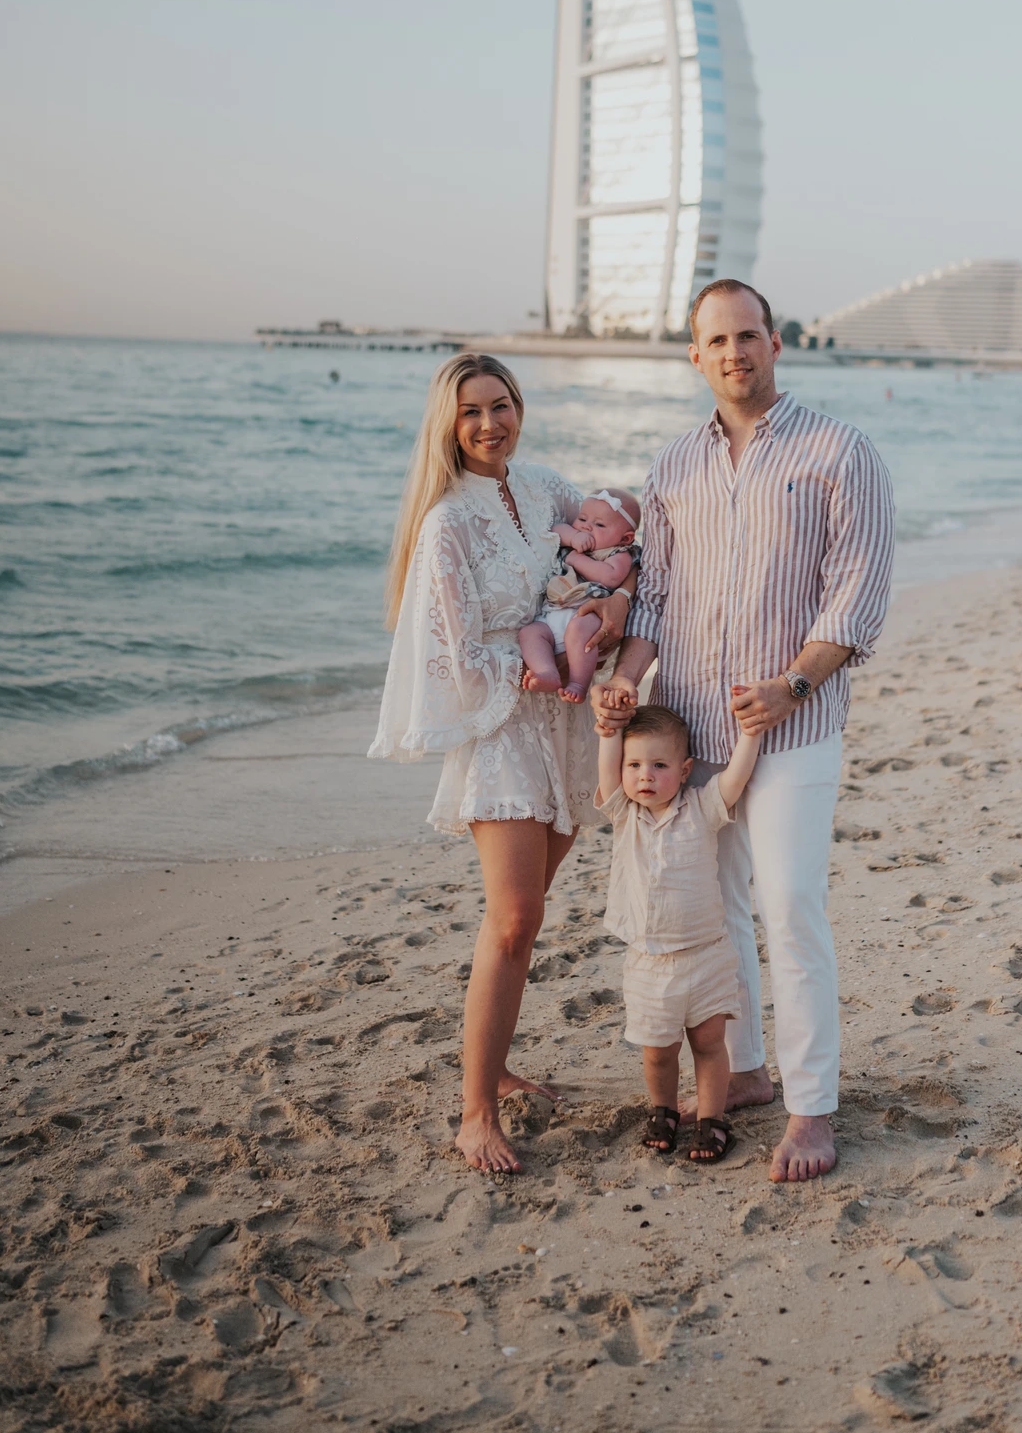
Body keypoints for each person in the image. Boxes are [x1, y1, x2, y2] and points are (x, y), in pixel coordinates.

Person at [592, 281, 895, 1183]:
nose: (734, 353)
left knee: (789, 908)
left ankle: (811, 1110)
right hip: (689, 729)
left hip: (794, 729)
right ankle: (750, 1071)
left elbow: (858, 590)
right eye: (715, 340)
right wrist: (623, 677)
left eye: (748, 336)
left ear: (774, 343)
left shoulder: (842, 451)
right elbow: (654, 595)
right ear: (695, 355)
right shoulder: (673, 464)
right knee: (715, 913)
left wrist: (793, 683)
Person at [370, 353, 633, 1174]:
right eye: (471, 412)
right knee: (512, 920)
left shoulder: (552, 488)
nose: (490, 423)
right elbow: (448, 653)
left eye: (501, 404)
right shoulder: (446, 522)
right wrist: (526, 670)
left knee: (526, 920)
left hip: (565, 727)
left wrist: (609, 611)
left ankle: (499, 1067)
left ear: (519, 408)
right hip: (504, 733)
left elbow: (613, 556)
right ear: (447, 425)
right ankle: (475, 1110)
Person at [595, 702, 761, 1163]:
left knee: (709, 1045)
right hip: (648, 962)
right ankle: (663, 1110)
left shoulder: (702, 807)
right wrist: (610, 729)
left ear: (686, 770)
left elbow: (735, 779)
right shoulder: (626, 815)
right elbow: (609, 772)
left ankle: (711, 1120)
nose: (644, 775)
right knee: (658, 1052)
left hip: (706, 955)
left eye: (659, 765)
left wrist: (750, 733)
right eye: (635, 765)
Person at [518, 487, 640, 704]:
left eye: (599, 524)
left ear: (625, 538)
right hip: (553, 614)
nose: (586, 526)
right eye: (582, 518)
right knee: (531, 633)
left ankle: (578, 683)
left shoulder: (619, 553)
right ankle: (547, 672)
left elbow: (610, 577)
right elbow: (556, 529)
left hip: (586, 615)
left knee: (578, 630)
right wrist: (573, 537)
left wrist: (576, 559)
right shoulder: (575, 539)